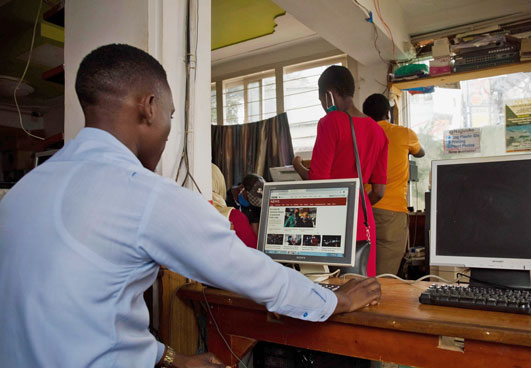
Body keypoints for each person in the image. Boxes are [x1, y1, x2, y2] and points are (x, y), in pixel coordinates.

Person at [0, 44, 381, 368]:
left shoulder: (24, 189)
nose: (168, 133)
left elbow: (87, 317)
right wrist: (334, 300)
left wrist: (173, 360)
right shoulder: (144, 195)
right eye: (170, 116)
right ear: (148, 107)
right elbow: (251, 272)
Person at [293, 65, 388, 277]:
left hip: (333, 222)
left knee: (332, 290)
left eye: (321, 100)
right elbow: (379, 191)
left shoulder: (330, 122)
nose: (322, 106)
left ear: (329, 94)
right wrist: (356, 205)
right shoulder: (378, 131)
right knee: (363, 289)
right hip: (364, 220)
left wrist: (297, 165)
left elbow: (318, 183)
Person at [362, 93, 425, 275]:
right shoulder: (403, 133)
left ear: (367, 116)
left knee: (364, 271)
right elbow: (420, 152)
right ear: (388, 114)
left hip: (365, 209)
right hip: (391, 213)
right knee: (385, 277)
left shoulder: (361, 136)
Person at [212, 163, 258, 248]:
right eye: (248, 197)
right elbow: (254, 250)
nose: (250, 201)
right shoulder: (233, 215)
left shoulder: (188, 212)